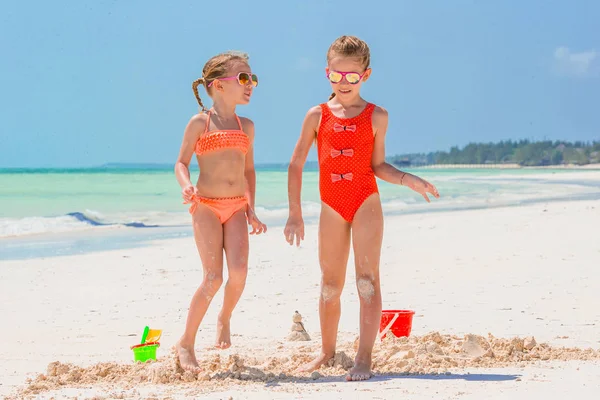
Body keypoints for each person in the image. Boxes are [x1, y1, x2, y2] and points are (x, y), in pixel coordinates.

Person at [284, 35, 440, 381]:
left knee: (367, 282)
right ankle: (326, 352)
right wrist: (295, 212)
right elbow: (296, 165)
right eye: (336, 75)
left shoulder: (376, 116)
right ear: (327, 73)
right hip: (331, 206)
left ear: (365, 75)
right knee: (329, 285)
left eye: (351, 76)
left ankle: (364, 357)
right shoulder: (316, 115)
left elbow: (378, 165)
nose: (343, 82)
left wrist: (407, 178)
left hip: (366, 201)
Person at [174, 51, 267, 373]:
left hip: (237, 207)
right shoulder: (201, 122)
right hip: (207, 207)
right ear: (217, 85)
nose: (250, 84)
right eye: (243, 78)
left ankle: (224, 317)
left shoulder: (247, 126)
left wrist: (251, 209)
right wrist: (186, 185)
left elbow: (249, 171)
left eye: (252, 78)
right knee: (213, 278)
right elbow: (181, 162)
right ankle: (186, 342)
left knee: (239, 275)